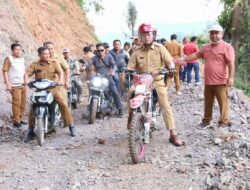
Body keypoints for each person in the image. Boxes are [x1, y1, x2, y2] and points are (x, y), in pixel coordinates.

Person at [127, 23, 182, 146]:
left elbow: (169, 61)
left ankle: (173, 133)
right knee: (130, 92)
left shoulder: (160, 48)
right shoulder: (136, 51)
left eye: (149, 34)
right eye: (144, 34)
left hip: (157, 81)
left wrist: (171, 67)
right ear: (140, 36)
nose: (146, 37)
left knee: (164, 104)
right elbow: (130, 66)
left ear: (153, 35)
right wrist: (128, 69)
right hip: (141, 81)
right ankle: (131, 118)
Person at [181, 24, 235, 128]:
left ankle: (223, 122)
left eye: (216, 33)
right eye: (212, 33)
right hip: (208, 81)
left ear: (221, 34)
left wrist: (231, 77)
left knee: (223, 103)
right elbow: (196, 55)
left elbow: (231, 64)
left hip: (221, 81)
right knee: (208, 102)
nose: (214, 35)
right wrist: (183, 59)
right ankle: (206, 121)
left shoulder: (227, 47)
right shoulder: (206, 47)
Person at [24, 47, 76, 141]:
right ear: (39, 55)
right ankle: (31, 130)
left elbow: (61, 73)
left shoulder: (54, 63)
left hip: (53, 89)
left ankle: (71, 126)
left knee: (63, 105)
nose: (47, 55)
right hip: (39, 90)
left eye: (48, 53)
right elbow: (27, 74)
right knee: (32, 108)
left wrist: (60, 80)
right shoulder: (35, 65)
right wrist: (26, 81)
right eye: (44, 54)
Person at [82, 43, 124, 117]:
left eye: (102, 50)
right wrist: (84, 66)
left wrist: (113, 71)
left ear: (104, 50)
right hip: (98, 76)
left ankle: (120, 109)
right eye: (98, 51)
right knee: (92, 89)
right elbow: (88, 62)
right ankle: (91, 108)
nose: (100, 52)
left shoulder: (109, 56)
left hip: (108, 76)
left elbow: (114, 65)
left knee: (114, 91)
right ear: (96, 51)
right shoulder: (95, 58)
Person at [2, 43, 27, 128]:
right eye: (16, 49)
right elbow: (5, 71)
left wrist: (26, 80)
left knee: (23, 103)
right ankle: (16, 121)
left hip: (22, 84)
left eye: (19, 49)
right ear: (12, 50)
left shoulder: (22, 59)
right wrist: (8, 84)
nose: (18, 51)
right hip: (14, 85)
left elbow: (24, 71)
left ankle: (20, 118)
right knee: (17, 102)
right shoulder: (9, 59)